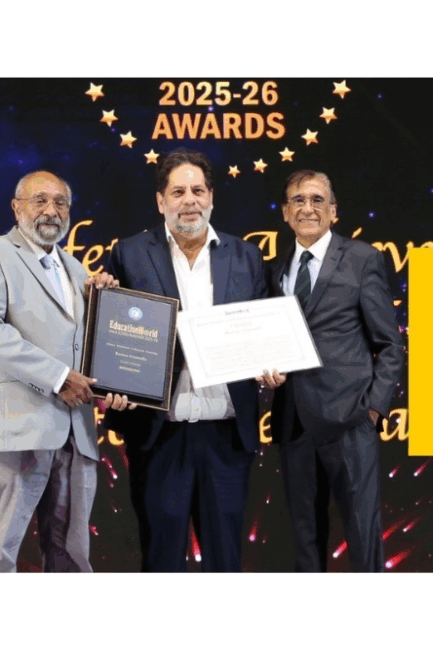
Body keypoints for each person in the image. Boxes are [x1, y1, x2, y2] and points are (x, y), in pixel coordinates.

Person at [102, 147, 282, 572]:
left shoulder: (246, 256)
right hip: (159, 435)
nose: (190, 201)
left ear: (211, 198)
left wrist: (271, 364)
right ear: (160, 201)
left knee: (225, 561)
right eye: (178, 192)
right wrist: (114, 384)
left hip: (226, 436)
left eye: (198, 191)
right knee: (162, 561)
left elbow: (264, 332)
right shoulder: (129, 254)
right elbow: (113, 335)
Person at [0, 170, 131, 572]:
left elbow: (86, 348)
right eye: (40, 200)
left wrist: (117, 378)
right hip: (14, 432)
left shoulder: (76, 269)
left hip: (76, 435)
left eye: (60, 202)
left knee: (71, 559)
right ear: (16, 208)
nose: (51, 211)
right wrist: (59, 377)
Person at [269, 170, 404, 572]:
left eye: (317, 200)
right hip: (294, 424)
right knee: (305, 539)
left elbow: (390, 345)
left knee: (363, 536)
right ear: (285, 212)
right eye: (298, 200)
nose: (307, 208)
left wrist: (372, 410)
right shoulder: (274, 269)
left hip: (350, 423)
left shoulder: (362, 259)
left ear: (333, 210)